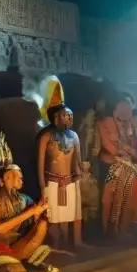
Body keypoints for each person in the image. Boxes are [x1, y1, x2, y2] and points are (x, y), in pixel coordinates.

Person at [0, 127, 51, 272]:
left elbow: (33, 222)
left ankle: (20, 259)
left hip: (19, 242)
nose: (19, 180)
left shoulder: (25, 199)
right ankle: (18, 261)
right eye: (12, 176)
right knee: (12, 271)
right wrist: (30, 212)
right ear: (1, 181)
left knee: (41, 226)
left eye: (20, 177)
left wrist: (40, 211)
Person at [36, 76, 84, 251]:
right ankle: (56, 245)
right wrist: (43, 187)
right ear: (55, 118)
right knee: (54, 216)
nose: (68, 118)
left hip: (70, 181)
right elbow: (40, 164)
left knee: (68, 214)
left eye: (70, 115)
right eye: (64, 115)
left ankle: (72, 242)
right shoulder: (46, 137)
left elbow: (77, 160)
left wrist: (79, 178)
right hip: (53, 182)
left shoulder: (75, 136)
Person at [97, 95, 137, 237]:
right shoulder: (104, 123)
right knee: (110, 201)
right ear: (115, 109)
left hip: (133, 168)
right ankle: (111, 232)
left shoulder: (135, 123)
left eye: (129, 108)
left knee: (132, 200)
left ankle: (128, 229)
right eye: (123, 107)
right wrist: (126, 152)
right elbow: (108, 146)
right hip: (112, 166)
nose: (126, 111)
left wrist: (135, 131)